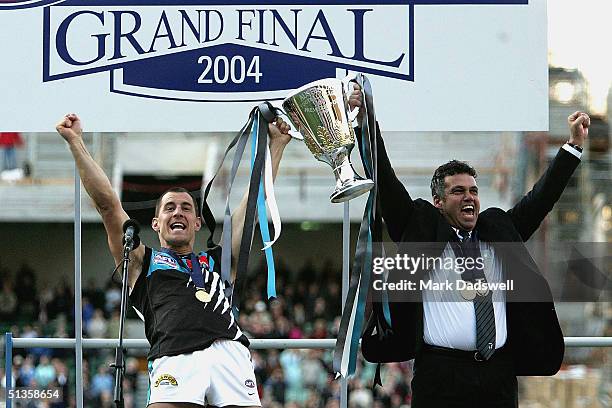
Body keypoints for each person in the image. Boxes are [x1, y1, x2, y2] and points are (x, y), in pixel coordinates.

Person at [349, 86, 590, 407]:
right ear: (438, 201)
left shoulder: (500, 231)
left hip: (498, 375)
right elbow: (385, 178)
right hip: (440, 376)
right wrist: (366, 122)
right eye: (458, 191)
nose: (469, 197)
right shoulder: (419, 228)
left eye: (474, 190)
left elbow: (541, 198)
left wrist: (572, 146)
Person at [56, 113, 291, 408]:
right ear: (156, 223)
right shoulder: (142, 261)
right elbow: (107, 206)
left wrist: (277, 146)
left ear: (196, 223)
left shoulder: (217, 260)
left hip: (230, 352)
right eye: (169, 208)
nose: (178, 212)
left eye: (186, 208)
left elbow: (253, 205)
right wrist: (76, 142)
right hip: (175, 355)